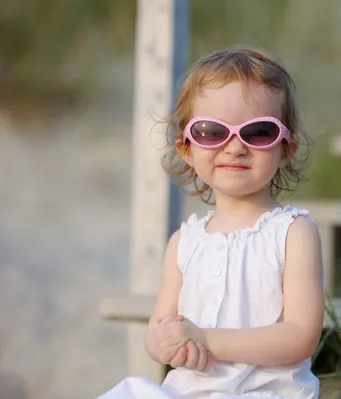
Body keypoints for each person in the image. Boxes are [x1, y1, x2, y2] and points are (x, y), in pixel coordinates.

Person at [98, 46, 325, 399]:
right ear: (187, 149)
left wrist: (208, 339)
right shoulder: (184, 243)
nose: (234, 147)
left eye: (259, 132)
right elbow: (161, 327)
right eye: (211, 131)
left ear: (285, 150)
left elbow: (301, 336)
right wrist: (165, 343)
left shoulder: (293, 233)